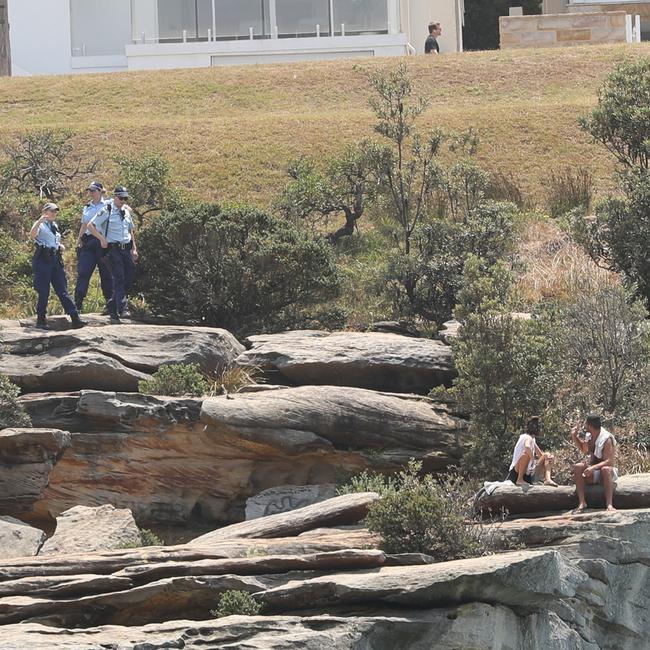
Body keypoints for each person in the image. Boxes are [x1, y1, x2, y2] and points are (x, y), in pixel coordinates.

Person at [29, 203, 86, 330]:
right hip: (43, 259)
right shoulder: (40, 224)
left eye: (55, 211)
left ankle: (75, 317)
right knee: (44, 291)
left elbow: (53, 240)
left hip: (55, 259)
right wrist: (38, 222)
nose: (54, 213)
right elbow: (32, 235)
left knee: (62, 289)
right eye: (52, 211)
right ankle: (41, 319)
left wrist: (59, 245)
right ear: (45, 211)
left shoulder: (54, 225)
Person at [86, 186, 138, 324]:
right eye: (121, 198)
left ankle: (112, 305)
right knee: (119, 276)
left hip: (125, 248)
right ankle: (123, 307)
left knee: (129, 277)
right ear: (115, 197)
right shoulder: (106, 210)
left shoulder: (126, 212)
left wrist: (134, 248)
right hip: (112, 249)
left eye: (125, 198)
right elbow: (90, 225)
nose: (123, 201)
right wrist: (101, 238)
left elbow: (130, 230)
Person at [74, 181, 113, 313]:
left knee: (106, 273)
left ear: (100, 191)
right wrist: (79, 240)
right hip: (89, 241)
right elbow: (84, 224)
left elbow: (124, 207)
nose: (91, 193)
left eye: (94, 190)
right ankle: (78, 303)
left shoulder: (108, 204)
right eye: (90, 191)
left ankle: (110, 303)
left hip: (103, 241)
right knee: (84, 272)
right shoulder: (87, 207)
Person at [571, 413, 618, 513]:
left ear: (589, 425)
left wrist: (593, 468)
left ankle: (609, 504)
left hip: (606, 472)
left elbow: (609, 461)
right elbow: (584, 449)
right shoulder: (589, 436)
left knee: (605, 469)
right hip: (594, 472)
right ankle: (582, 502)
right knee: (578, 466)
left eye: (585, 424)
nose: (584, 426)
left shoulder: (606, 438)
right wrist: (574, 436)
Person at [507, 416, 557, 487]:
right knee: (526, 455)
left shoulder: (533, 439)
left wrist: (549, 459)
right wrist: (532, 459)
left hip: (528, 474)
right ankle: (520, 479)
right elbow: (527, 447)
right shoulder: (527, 437)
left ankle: (547, 479)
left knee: (547, 455)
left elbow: (541, 455)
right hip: (516, 474)